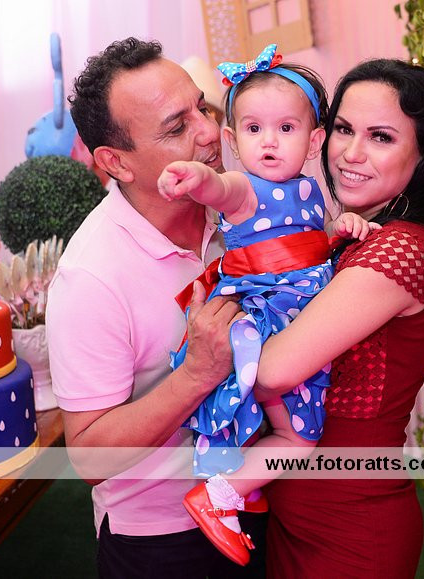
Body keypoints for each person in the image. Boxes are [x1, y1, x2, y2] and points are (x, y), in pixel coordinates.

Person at [45, 37, 266, 578]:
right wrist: (196, 374)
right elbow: (89, 456)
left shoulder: (238, 202)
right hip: (164, 538)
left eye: (202, 108)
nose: (210, 132)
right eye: (176, 127)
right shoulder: (90, 277)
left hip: (261, 493)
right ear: (115, 162)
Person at [156, 44, 377, 566]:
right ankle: (219, 495)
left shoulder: (310, 190)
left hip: (300, 321)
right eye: (254, 129)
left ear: (314, 140)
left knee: (283, 426)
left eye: (286, 128)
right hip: (269, 323)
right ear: (232, 140)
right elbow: (220, 188)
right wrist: (196, 179)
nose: (269, 142)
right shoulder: (246, 189)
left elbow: (315, 237)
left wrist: (343, 226)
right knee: (299, 437)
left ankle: (241, 485)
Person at [253, 58, 424, 577]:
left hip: (350, 528)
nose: (351, 153)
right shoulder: (356, 234)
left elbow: (271, 371)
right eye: (344, 129)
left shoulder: (399, 249)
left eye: (381, 137)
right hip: (300, 516)